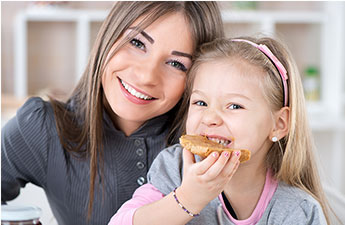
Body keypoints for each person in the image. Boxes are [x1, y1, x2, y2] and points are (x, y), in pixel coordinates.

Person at [1, 2, 224, 224]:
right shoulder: (41, 126)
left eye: (176, 63)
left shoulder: (212, 144)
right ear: (109, 35)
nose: (147, 76)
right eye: (137, 43)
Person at [109, 37, 331, 225]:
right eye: (201, 103)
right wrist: (187, 199)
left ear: (279, 124)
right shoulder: (175, 169)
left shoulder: (297, 211)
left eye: (234, 106)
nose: (210, 118)